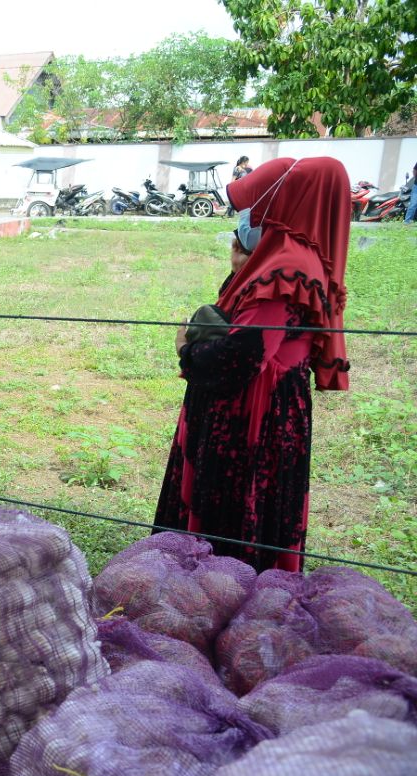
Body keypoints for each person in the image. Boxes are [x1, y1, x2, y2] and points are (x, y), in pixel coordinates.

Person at [155, 157, 350, 572]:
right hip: (255, 410)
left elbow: (241, 358)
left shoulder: (288, 268)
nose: (251, 215)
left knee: (232, 531)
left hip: (252, 421)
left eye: (263, 202)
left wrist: (186, 349)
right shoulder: (282, 257)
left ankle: (222, 598)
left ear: (288, 201)